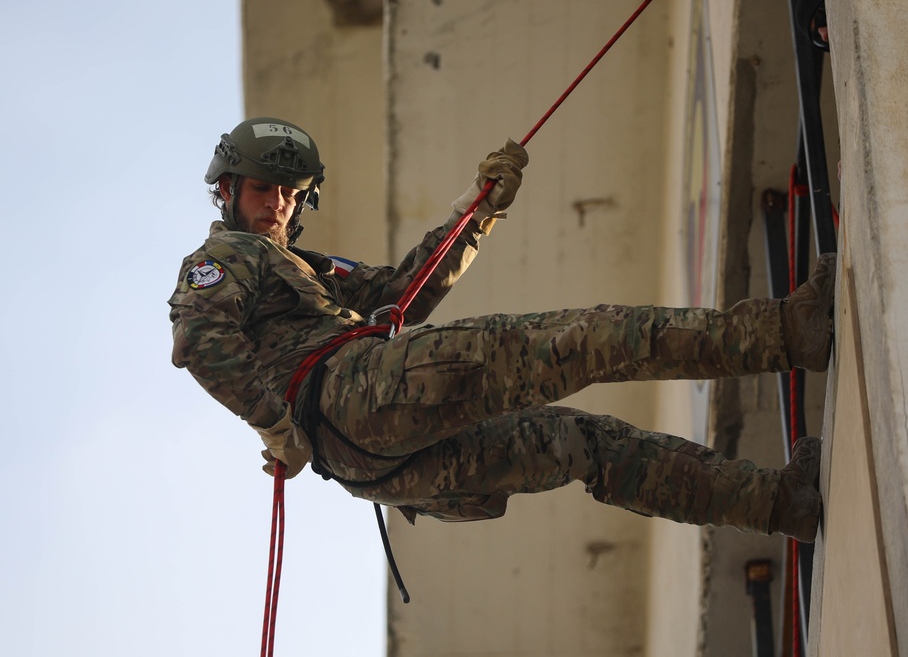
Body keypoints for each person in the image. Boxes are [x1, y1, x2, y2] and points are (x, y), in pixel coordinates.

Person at [169, 117, 834, 543]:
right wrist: (274, 428)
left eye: (292, 192)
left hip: (369, 464)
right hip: (357, 397)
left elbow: (402, 295)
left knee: (581, 444)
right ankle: (786, 333)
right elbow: (200, 341)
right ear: (227, 189)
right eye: (264, 188)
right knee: (584, 342)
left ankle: (779, 504)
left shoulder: (308, 270)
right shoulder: (226, 256)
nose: (278, 204)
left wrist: (474, 214)